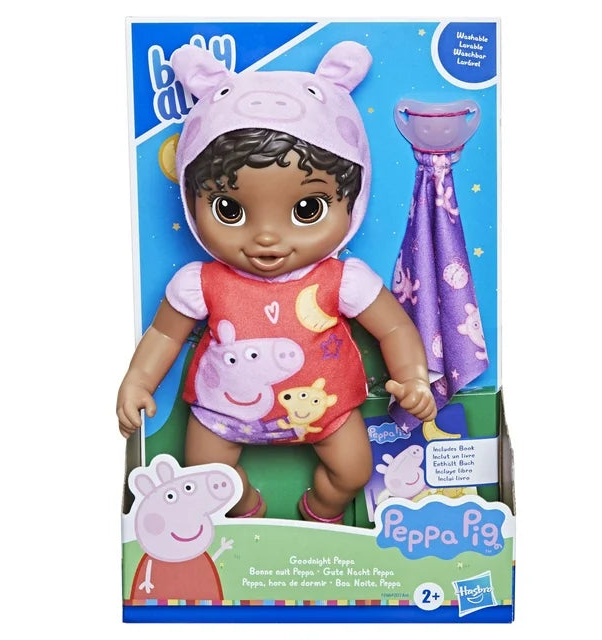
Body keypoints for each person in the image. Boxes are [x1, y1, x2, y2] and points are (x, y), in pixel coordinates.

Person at [117, 41, 436, 524]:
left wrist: (413, 378)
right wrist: (138, 381)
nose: (267, 236)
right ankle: (246, 513)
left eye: (307, 209)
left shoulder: (345, 281)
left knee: (354, 470)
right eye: (230, 210)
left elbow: (394, 328)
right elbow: (164, 334)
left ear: (353, 199)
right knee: (204, 475)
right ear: (191, 198)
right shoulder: (198, 283)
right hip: (222, 412)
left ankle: (322, 513)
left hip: (327, 409)